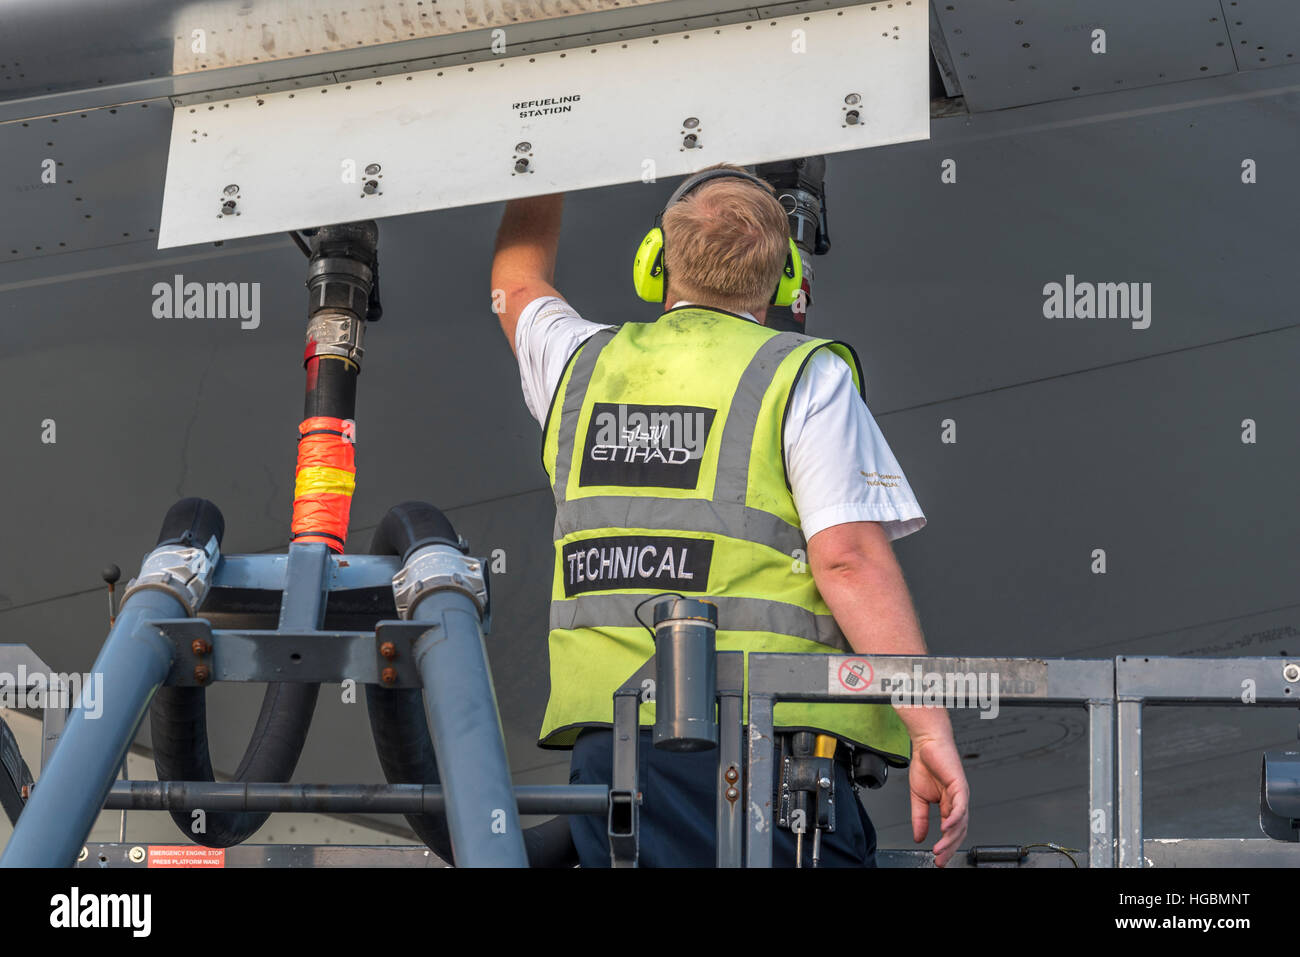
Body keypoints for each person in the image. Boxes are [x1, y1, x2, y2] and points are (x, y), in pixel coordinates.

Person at [489, 163, 969, 867]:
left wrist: (546, 150)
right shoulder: (803, 375)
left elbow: (516, 279)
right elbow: (848, 560)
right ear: (786, 278)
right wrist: (929, 729)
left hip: (612, 768)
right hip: (772, 767)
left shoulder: (578, 364)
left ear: (655, 262)